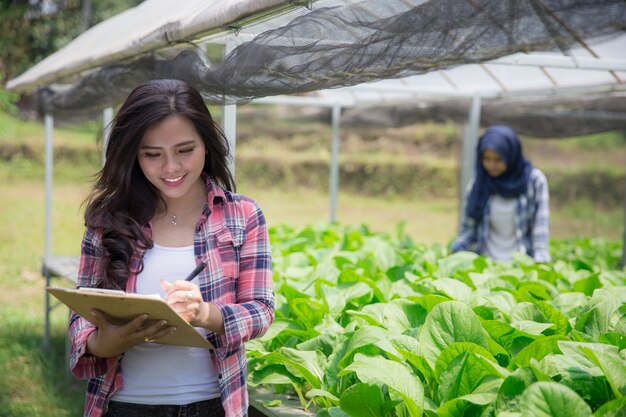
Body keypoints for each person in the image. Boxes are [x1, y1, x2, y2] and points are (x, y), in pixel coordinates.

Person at [69, 79, 275, 417]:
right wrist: (108, 342)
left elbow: (261, 310)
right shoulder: (108, 220)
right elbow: (81, 317)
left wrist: (205, 314)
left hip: (214, 404)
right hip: (123, 405)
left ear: (207, 145)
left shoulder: (243, 216)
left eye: (185, 150)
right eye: (152, 155)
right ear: (133, 155)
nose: (171, 168)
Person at [451, 125, 551, 262]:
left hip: (521, 266)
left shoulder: (534, 181)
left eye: (498, 160)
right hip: (486, 265)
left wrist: (540, 264)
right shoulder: (478, 185)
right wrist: (456, 251)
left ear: (511, 156)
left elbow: (540, 231)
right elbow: (469, 230)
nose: (491, 165)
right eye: (486, 159)